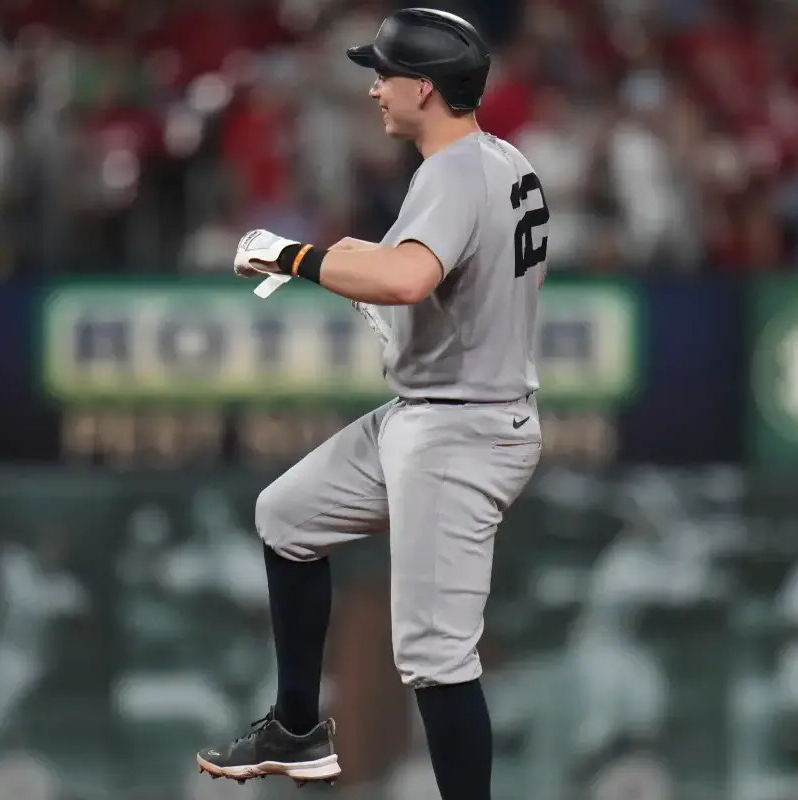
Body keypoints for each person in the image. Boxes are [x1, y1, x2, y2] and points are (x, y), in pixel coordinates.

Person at [194, 9, 549, 799]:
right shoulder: (502, 160)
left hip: (463, 431)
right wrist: (362, 265)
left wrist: (296, 256)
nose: (374, 89)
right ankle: (296, 727)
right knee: (286, 516)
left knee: (434, 657)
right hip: (433, 410)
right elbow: (446, 282)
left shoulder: (454, 172)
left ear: (425, 88)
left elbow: (408, 281)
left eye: (385, 75)